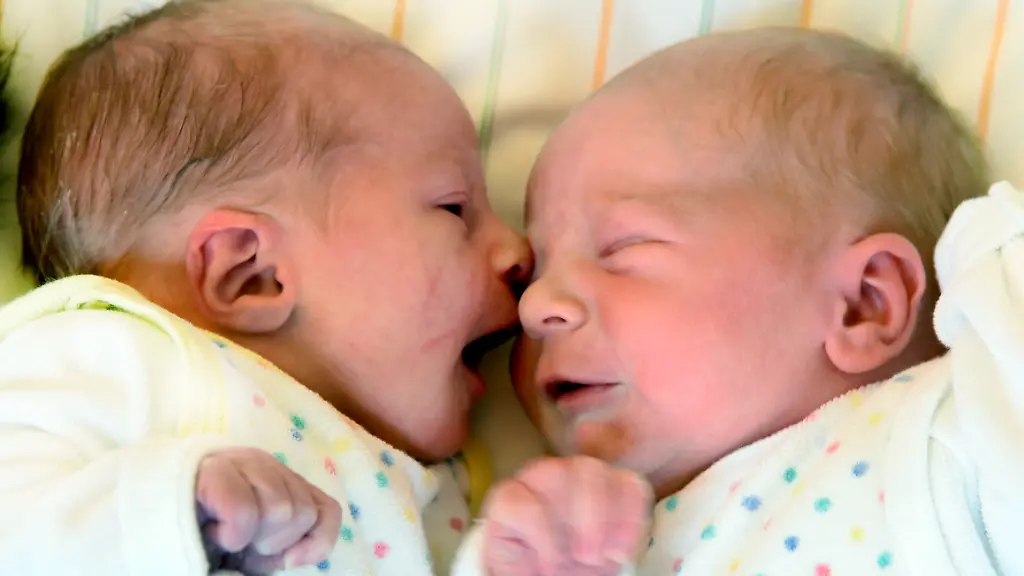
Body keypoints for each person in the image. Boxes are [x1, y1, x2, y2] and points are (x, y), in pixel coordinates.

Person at [1, 0, 541, 572]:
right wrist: (170, 515)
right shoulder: (108, 355)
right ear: (250, 274)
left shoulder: (436, 486)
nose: (519, 251)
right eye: (454, 209)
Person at [494, 27, 1021, 574]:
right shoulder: (589, 541)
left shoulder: (950, 440)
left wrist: (996, 262)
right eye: (535, 268)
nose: (534, 306)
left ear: (863, 304)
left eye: (623, 246)